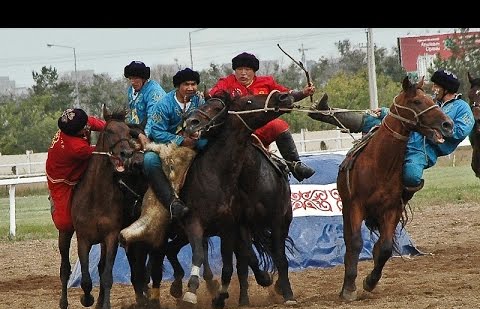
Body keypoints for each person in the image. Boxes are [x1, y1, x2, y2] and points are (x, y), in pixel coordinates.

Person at [320, 69, 475, 202]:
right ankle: (324, 113)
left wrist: (436, 131)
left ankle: (399, 201)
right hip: (408, 135)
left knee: (412, 175)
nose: (433, 88)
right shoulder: (431, 101)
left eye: (436, 86)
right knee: (370, 120)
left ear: (446, 89)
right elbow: (410, 112)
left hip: (423, 150)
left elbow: (460, 131)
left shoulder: (462, 108)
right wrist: (386, 112)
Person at [208, 52, 316, 182]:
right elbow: (213, 94)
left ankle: (295, 165)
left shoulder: (267, 82)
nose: (243, 73)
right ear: (234, 71)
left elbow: (285, 95)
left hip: (261, 129)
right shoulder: (226, 82)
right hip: (235, 131)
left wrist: (303, 93)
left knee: (278, 125)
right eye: (239, 69)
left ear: (254, 71)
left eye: (247, 69)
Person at [143, 67, 207, 220]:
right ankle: (171, 203)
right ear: (178, 86)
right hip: (166, 144)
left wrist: (199, 134)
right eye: (186, 84)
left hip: (194, 140)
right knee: (149, 161)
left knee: (210, 146)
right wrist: (181, 140)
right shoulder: (164, 104)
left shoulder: (199, 100)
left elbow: (206, 122)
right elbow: (156, 132)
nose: (191, 88)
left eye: (193, 84)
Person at [46, 108, 106, 232]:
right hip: (62, 180)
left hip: (76, 166)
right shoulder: (76, 148)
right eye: (83, 127)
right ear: (74, 132)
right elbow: (100, 151)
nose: (87, 127)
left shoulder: (77, 121)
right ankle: (53, 201)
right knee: (65, 224)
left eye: (85, 123)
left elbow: (96, 123)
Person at [124, 60, 167, 149]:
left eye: (136, 78)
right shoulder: (130, 91)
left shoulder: (154, 92)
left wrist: (145, 136)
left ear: (144, 79)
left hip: (156, 130)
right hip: (138, 129)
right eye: (131, 78)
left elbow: (153, 117)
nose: (132, 82)